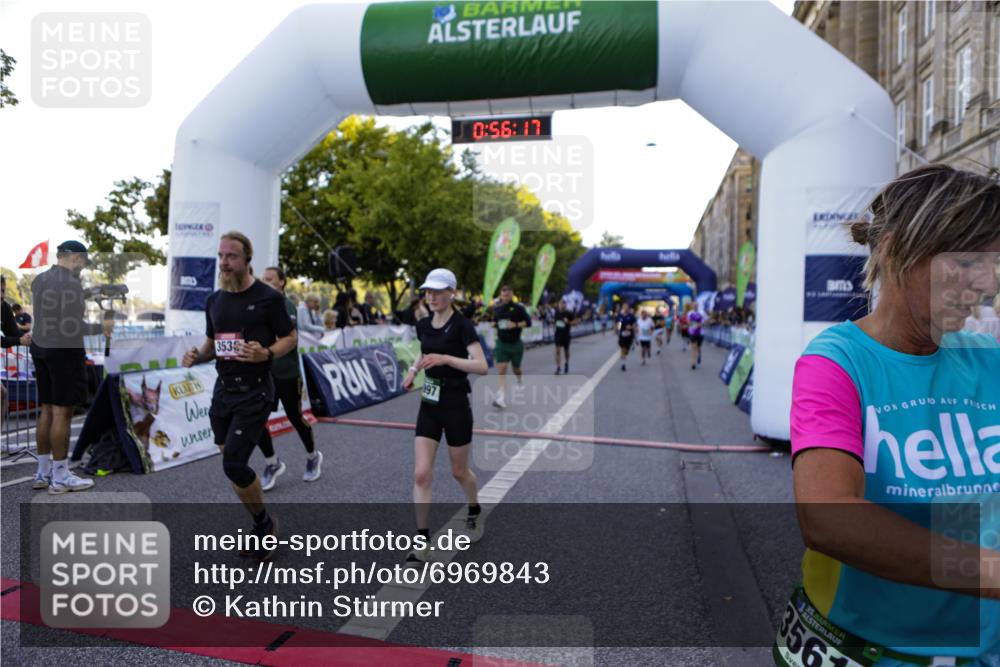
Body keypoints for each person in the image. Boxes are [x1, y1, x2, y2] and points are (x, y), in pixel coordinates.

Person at [780, 164, 1000, 667]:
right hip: (870, 652)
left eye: (993, 263)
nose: (987, 283)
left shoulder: (988, 359)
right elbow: (828, 518)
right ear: (896, 249)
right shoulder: (837, 362)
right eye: (968, 261)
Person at [182, 232, 296, 561]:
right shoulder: (214, 301)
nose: (224, 262)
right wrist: (197, 357)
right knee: (232, 465)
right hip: (223, 392)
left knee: (233, 463)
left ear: (247, 259)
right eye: (220, 256)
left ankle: (264, 525)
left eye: (231, 256)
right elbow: (212, 345)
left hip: (256, 391)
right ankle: (262, 524)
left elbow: (290, 337)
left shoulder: (268, 298)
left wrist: (267, 353)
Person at [402, 268, 488, 564]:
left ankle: (474, 510)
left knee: (459, 472)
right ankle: (422, 541)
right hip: (430, 401)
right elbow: (425, 351)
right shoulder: (423, 324)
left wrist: (447, 359)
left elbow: (482, 366)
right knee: (421, 473)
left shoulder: (462, 325)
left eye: (438, 291)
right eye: (428, 291)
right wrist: (414, 370)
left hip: (455, 403)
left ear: (452, 293)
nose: (431, 296)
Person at [28, 241, 113, 494]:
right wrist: (101, 328)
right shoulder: (71, 284)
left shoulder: (40, 280)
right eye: (83, 262)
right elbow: (72, 325)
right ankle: (61, 477)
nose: (83, 267)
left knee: (46, 410)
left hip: (41, 348)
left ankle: (43, 472)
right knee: (62, 413)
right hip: (63, 352)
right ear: (76, 257)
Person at [257, 266, 321, 490]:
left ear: (282, 282)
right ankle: (272, 462)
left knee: (295, 417)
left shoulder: (286, 305)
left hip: (287, 372)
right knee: (256, 420)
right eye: (263, 279)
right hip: (264, 374)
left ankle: (313, 456)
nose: (265, 282)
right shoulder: (257, 305)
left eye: (270, 279)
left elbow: (287, 339)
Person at [491, 285, 531, 409]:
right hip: (502, 344)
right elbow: (495, 322)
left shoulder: (519, 308)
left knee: (516, 369)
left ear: (512, 294)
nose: (505, 297)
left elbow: (528, 323)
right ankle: (500, 398)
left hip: (516, 344)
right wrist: (494, 324)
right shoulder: (497, 308)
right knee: (502, 370)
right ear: (501, 296)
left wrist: (516, 324)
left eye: (507, 295)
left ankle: (519, 379)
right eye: (503, 295)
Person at [2, 276, 32, 420]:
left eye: (3, 290)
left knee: (2, 395)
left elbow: (13, 332)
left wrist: (28, 338)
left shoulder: (5, 307)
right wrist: (19, 340)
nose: (1, 295)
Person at [553, 299, 579, 375]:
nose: (562, 305)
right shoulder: (556, 312)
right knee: (557, 351)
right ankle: (558, 367)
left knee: (566, 351)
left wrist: (568, 322)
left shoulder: (568, 313)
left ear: (565, 305)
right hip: (558, 334)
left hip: (566, 335)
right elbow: (555, 322)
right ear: (559, 304)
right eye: (561, 304)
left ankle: (566, 363)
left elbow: (576, 322)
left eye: (563, 304)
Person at [615, 302, 636, 372]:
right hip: (622, 335)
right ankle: (623, 364)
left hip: (629, 335)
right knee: (622, 348)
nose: (626, 308)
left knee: (626, 351)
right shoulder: (619, 315)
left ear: (628, 308)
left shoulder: (631, 316)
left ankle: (624, 357)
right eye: (624, 306)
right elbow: (617, 324)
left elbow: (634, 325)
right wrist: (617, 329)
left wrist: (631, 328)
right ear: (623, 307)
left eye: (627, 307)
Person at [687, 305, 704, 370]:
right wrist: (691, 324)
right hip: (693, 333)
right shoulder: (690, 313)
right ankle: (693, 363)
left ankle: (699, 355)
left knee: (698, 348)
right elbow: (688, 322)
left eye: (696, 305)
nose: (695, 306)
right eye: (694, 305)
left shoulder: (702, 313)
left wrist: (701, 324)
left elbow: (705, 321)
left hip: (700, 333)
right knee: (694, 348)